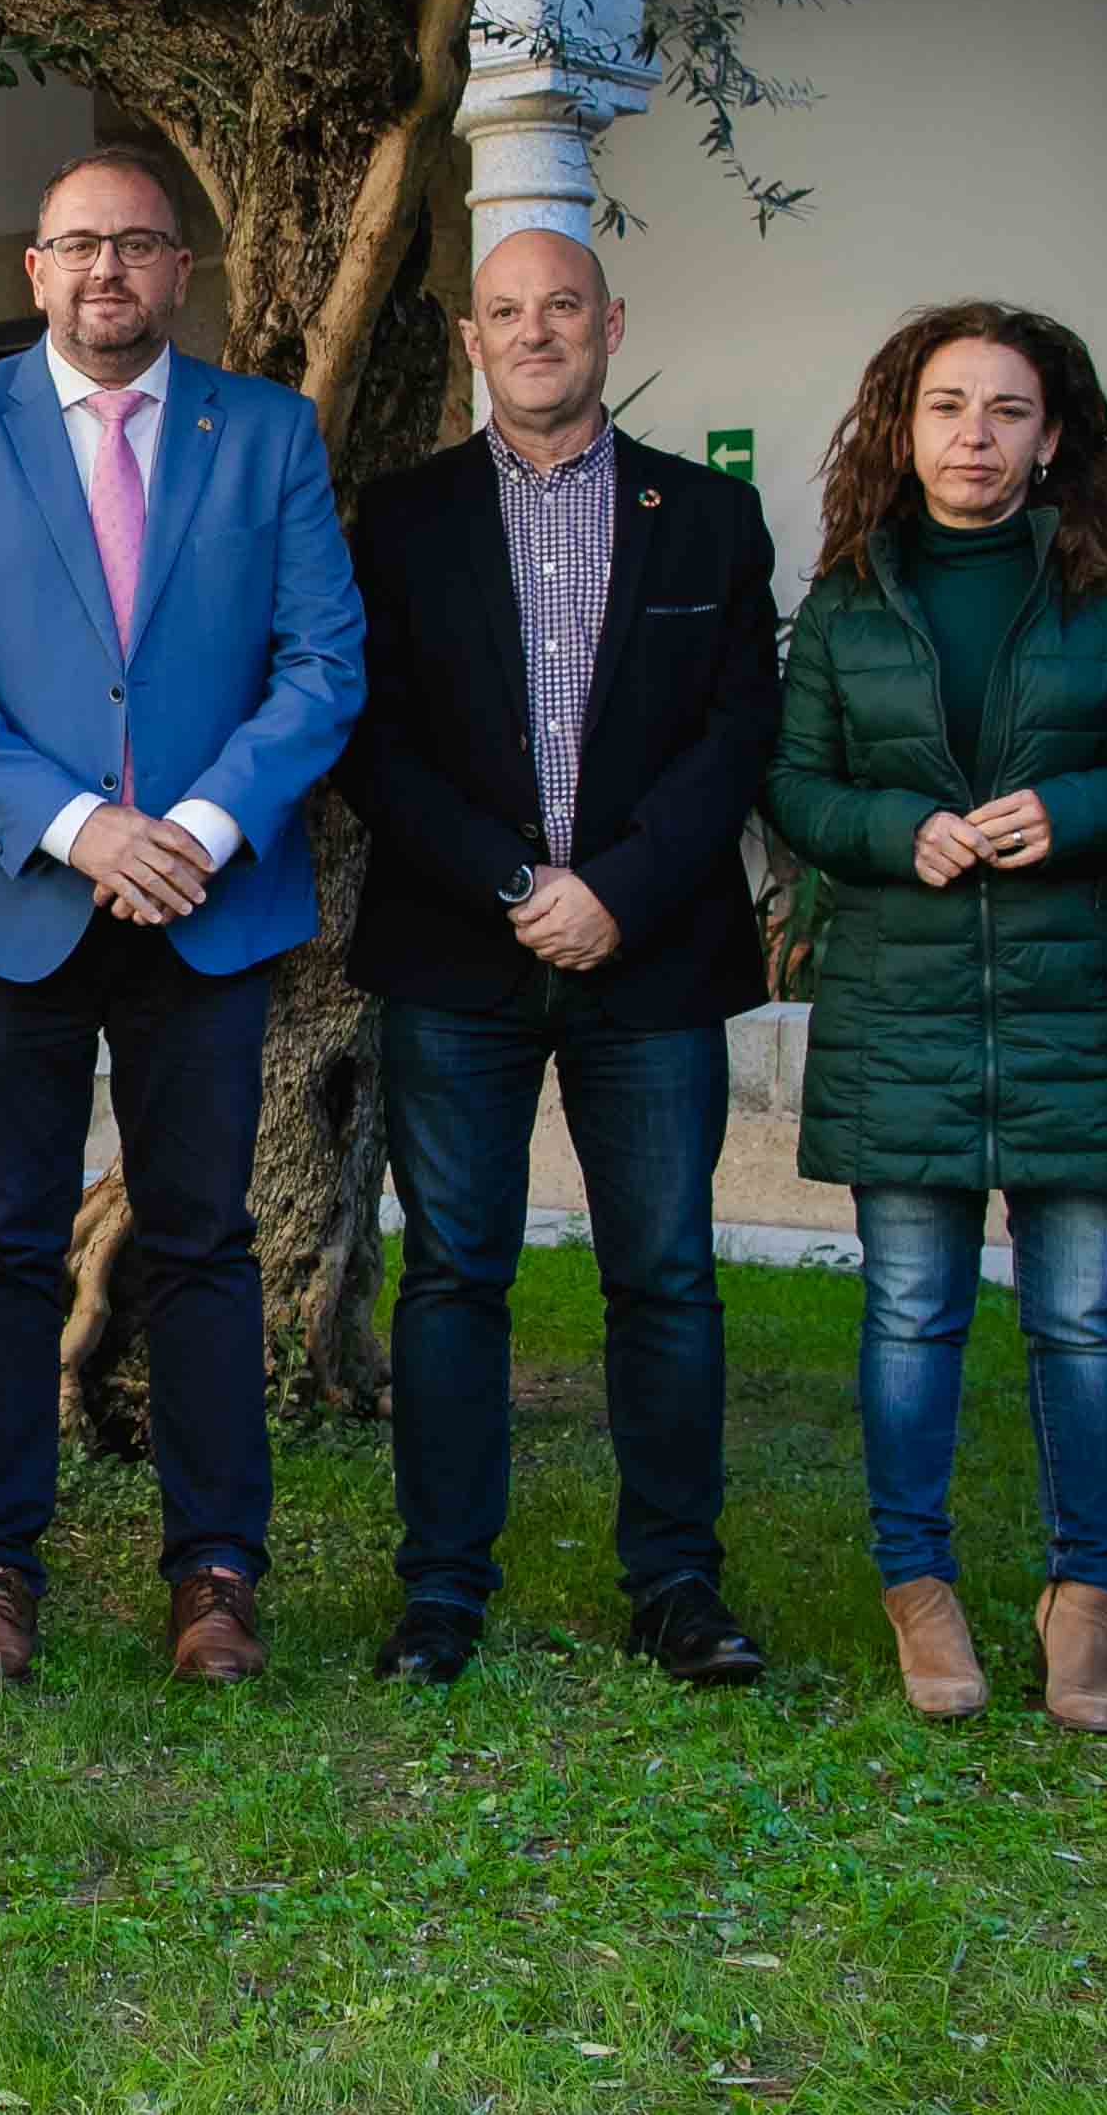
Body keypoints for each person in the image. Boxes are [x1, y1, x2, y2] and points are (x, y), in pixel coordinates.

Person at [0, 145, 363, 1688]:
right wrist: (84, 826)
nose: (106, 271)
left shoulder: (265, 432)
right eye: (77, 242)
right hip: (17, 899)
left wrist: (198, 829)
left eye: (137, 245)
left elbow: (321, 665)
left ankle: (215, 1570)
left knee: (204, 1239)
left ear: (178, 271)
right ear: (33, 266)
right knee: (9, 1241)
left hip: (207, 905)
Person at [340, 229, 779, 1691]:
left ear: (608, 324)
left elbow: (735, 736)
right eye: (507, 310)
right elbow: (372, 737)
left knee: (661, 1273)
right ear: (471, 335)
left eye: (562, 307)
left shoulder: (708, 516)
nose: (536, 331)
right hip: (456, 950)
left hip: (646, 958)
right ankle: (441, 1592)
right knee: (451, 1275)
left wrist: (617, 888)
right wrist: (517, 879)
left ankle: (674, 1583)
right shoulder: (397, 519)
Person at [763, 303, 1107, 1732]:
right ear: (904, 424)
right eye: (947, 406)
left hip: (1079, 991)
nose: (973, 436)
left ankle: (1084, 1603)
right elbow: (795, 784)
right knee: (909, 1308)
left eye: (1005, 410)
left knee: (1076, 1314)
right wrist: (892, 826)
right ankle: (916, 1584)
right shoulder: (843, 600)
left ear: (1050, 433)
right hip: (902, 998)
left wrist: (1070, 809)